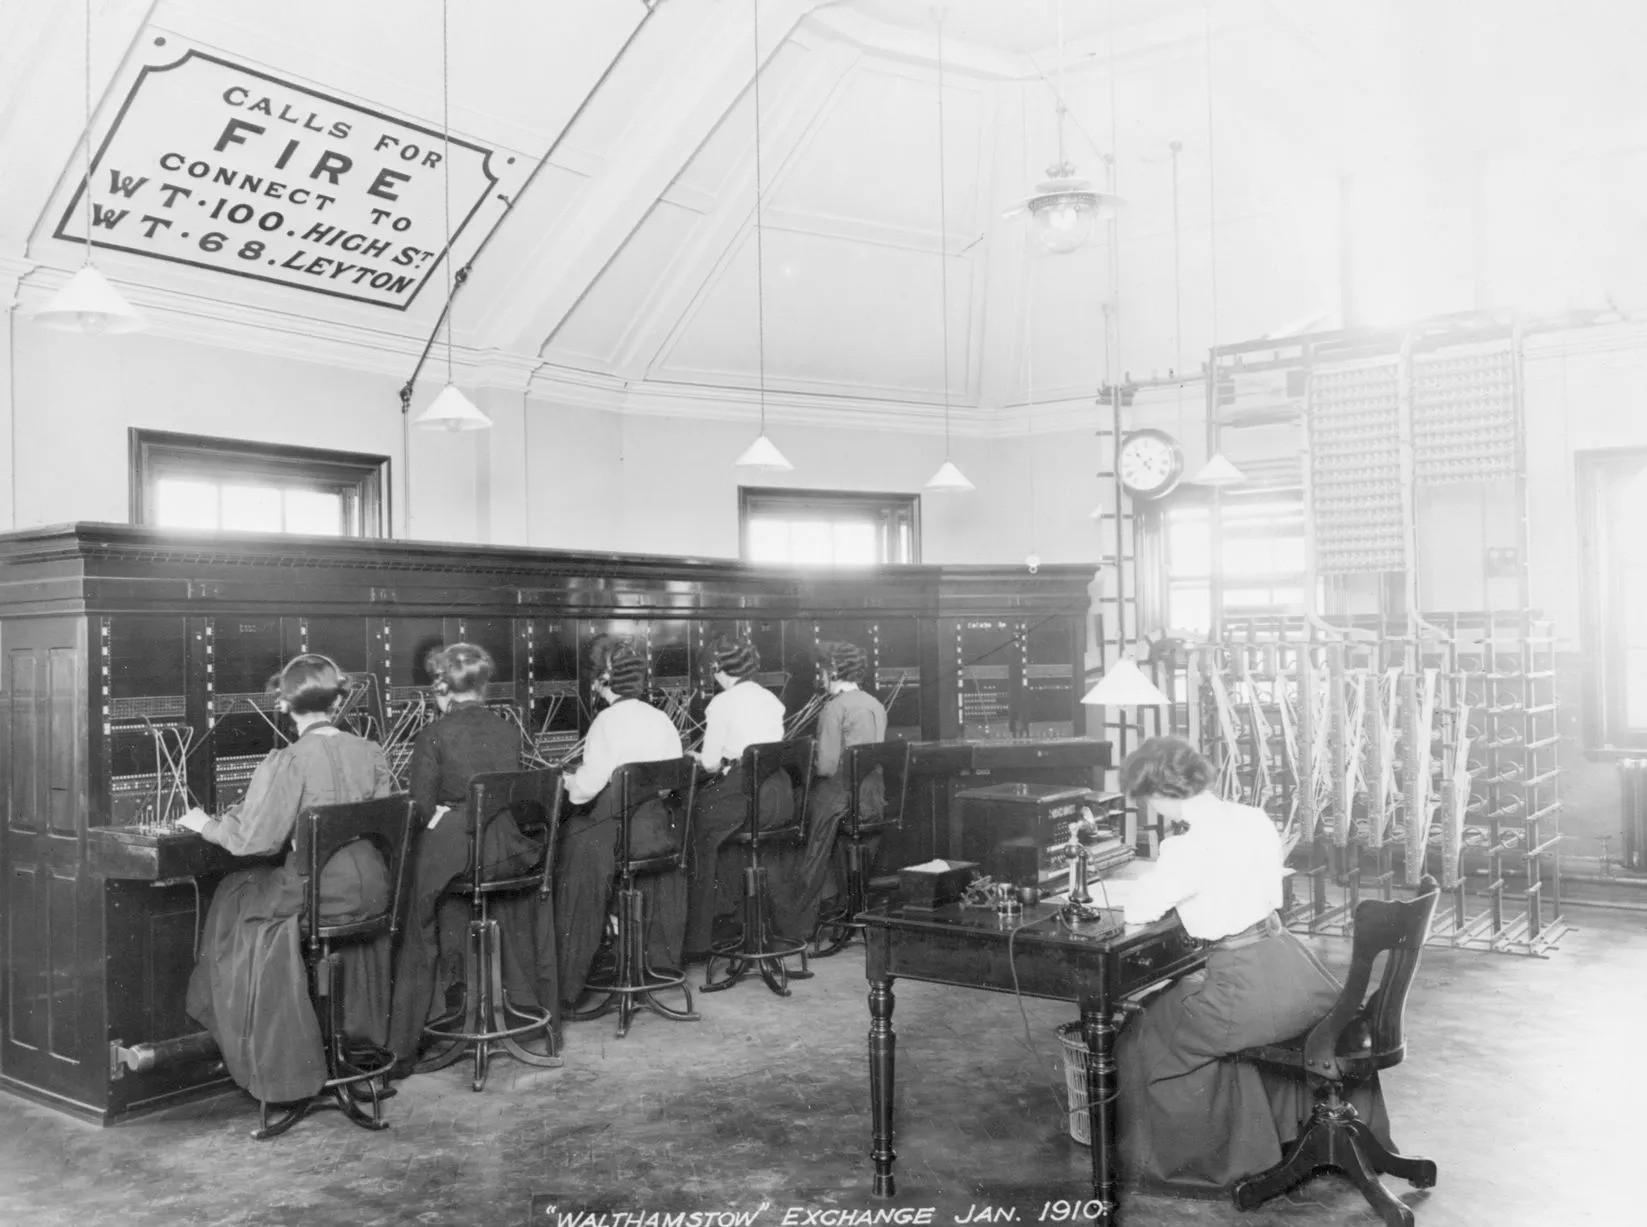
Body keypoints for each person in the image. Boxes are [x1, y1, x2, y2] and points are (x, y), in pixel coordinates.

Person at [1112, 735, 1390, 1194]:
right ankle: (1263, 1142)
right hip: (1296, 973)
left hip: (1246, 990)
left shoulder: (1185, 848)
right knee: (1188, 1012)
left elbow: (1138, 910)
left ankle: (1200, 1162)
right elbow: (1266, 894)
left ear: (1159, 794)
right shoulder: (1254, 819)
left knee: (1143, 1032)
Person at [181, 654, 395, 1105]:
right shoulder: (370, 751)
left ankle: (260, 1050)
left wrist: (205, 825)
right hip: (374, 890)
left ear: (284, 703)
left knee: (233, 895)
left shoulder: (289, 760)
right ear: (339, 699)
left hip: (322, 895)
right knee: (252, 892)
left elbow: (253, 840)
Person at [386, 643, 557, 1070]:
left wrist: (442, 808)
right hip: (505, 847)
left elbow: (420, 809)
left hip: (460, 845)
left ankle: (408, 1037)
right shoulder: (506, 729)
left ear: (443, 686)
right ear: (483, 685)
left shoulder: (434, 734)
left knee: (412, 905)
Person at [555, 648, 684, 1008]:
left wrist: (567, 780)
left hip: (617, 831)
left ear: (602, 681)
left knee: (571, 848)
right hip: (656, 831)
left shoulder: (606, 722)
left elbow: (585, 790)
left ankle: (571, 979)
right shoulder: (661, 718)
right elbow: (671, 781)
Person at [682, 634, 789, 957]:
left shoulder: (722, 703)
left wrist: (695, 757)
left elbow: (713, 763)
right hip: (777, 798)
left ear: (718, 668)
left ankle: (700, 939)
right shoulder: (771, 699)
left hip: (744, 795)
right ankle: (735, 916)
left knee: (692, 825)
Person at [772, 641, 887, 940]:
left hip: (841, 800)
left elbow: (825, 767)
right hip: (872, 799)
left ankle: (797, 926)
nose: (819, 677)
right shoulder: (874, 703)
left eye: (821, 671)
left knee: (792, 819)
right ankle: (836, 905)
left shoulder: (834, 708)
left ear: (832, 670)